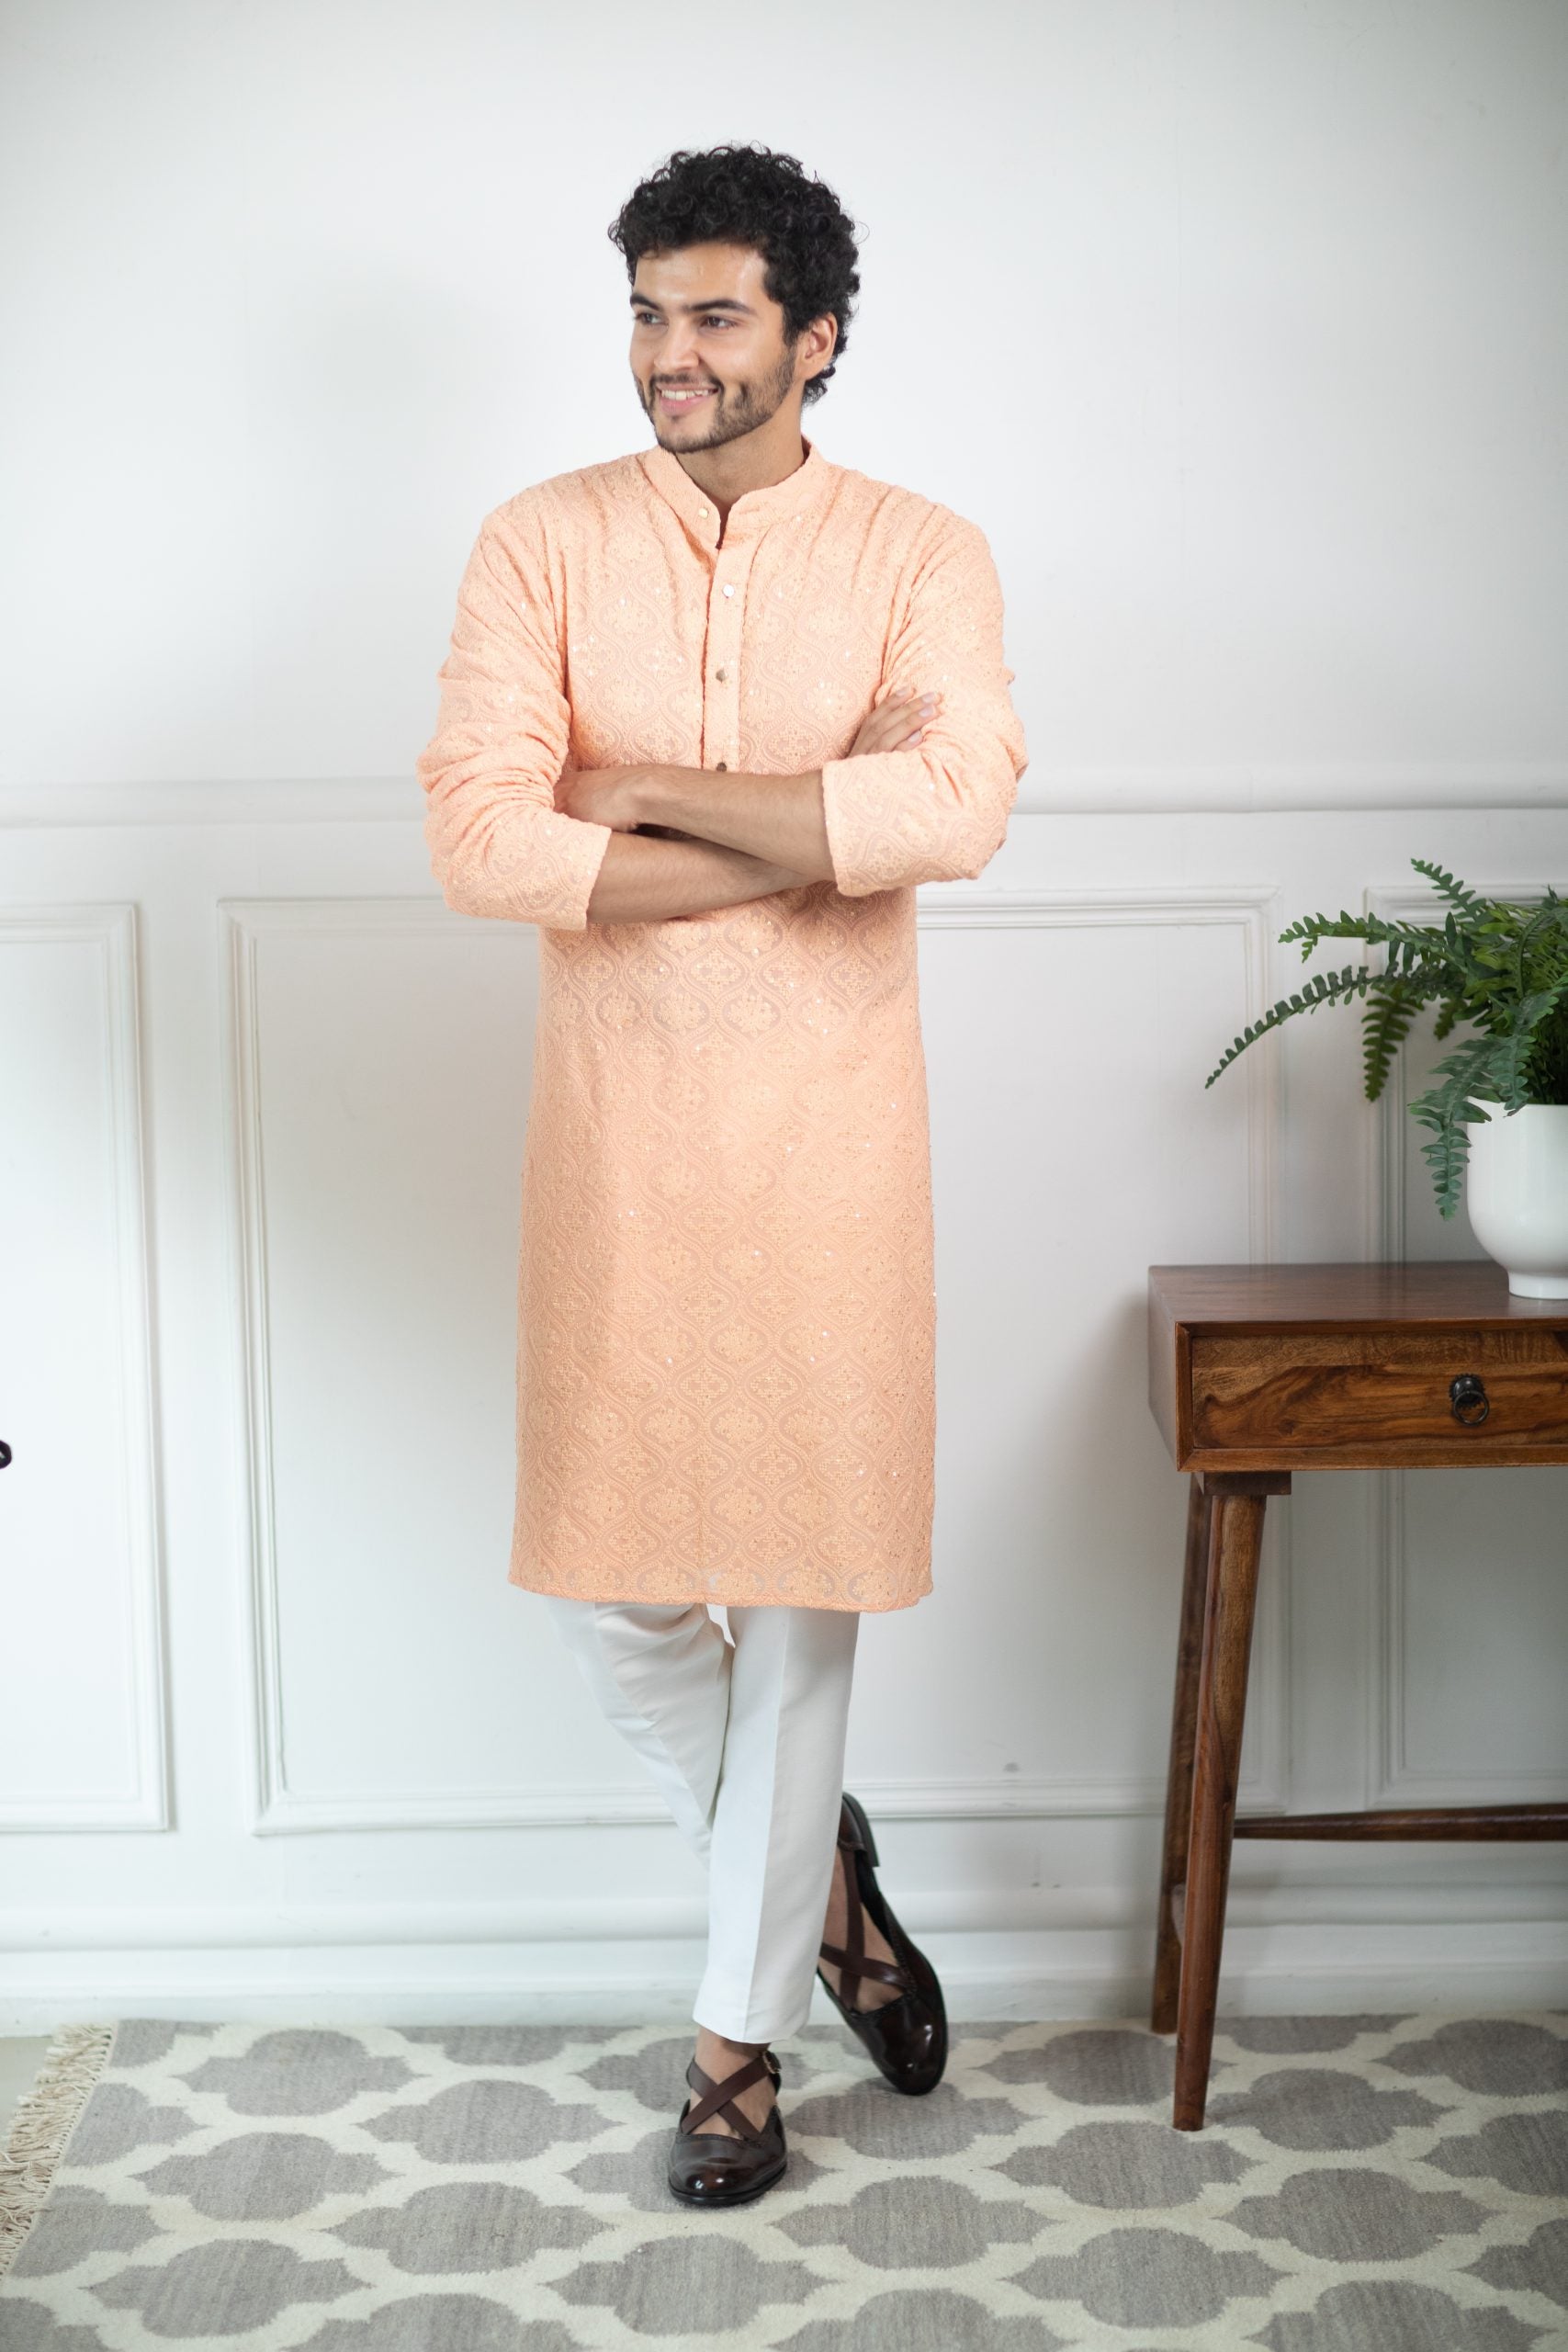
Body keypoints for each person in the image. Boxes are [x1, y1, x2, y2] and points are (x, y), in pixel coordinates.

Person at [416, 142, 1028, 2207]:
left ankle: (733, 2050)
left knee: (801, 1592)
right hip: (616, 1137)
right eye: (647, 314)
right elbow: (481, 838)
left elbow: (956, 806)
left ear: (813, 338)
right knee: (616, 1583)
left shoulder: (919, 551)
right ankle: (824, 1887)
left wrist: (654, 790)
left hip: (832, 1142)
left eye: (713, 317)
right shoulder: (539, 541)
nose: (668, 355)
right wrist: (800, 836)